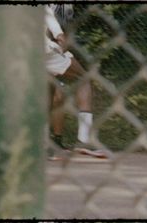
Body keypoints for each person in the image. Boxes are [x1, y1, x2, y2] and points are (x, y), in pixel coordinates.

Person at [45, 4, 107, 160]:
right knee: (83, 79)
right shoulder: (63, 6)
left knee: (54, 92)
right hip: (47, 49)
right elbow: (58, 30)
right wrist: (60, 40)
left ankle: (53, 144)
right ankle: (84, 141)